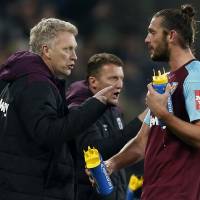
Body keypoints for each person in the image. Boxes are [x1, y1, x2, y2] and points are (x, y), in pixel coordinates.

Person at [0, 18, 119, 200]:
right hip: (33, 190)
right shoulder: (36, 84)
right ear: (46, 50)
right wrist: (96, 103)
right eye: (67, 49)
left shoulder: (18, 78)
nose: (74, 56)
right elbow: (49, 133)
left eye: (74, 49)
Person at [105, 4, 200, 200]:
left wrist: (163, 113)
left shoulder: (195, 77)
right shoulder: (164, 82)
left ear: (171, 36)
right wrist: (111, 164)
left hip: (181, 194)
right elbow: (143, 142)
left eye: (152, 33)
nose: (147, 39)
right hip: (154, 192)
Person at [66, 53, 147, 200]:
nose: (120, 84)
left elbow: (120, 150)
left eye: (121, 78)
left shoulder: (114, 109)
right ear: (93, 82)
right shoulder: (79, 111)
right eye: (113, 78)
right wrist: (141, 120)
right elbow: (95, 152)